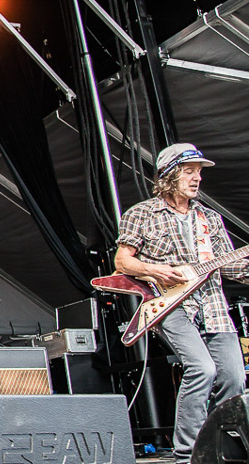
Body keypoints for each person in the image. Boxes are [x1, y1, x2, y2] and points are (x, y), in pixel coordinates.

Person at [113, 143, 247, 464]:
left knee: (234, 376)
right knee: (202, 369)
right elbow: (122, 261)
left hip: (212, 304)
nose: (197, 178)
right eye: (189, 172)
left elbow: (229, 266)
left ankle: (219, 446)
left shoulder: (210, 218)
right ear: (169, 176)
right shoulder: (142, 214)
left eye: (199, 172)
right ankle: (187, 455)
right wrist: (155, 270)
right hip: (171, 305)